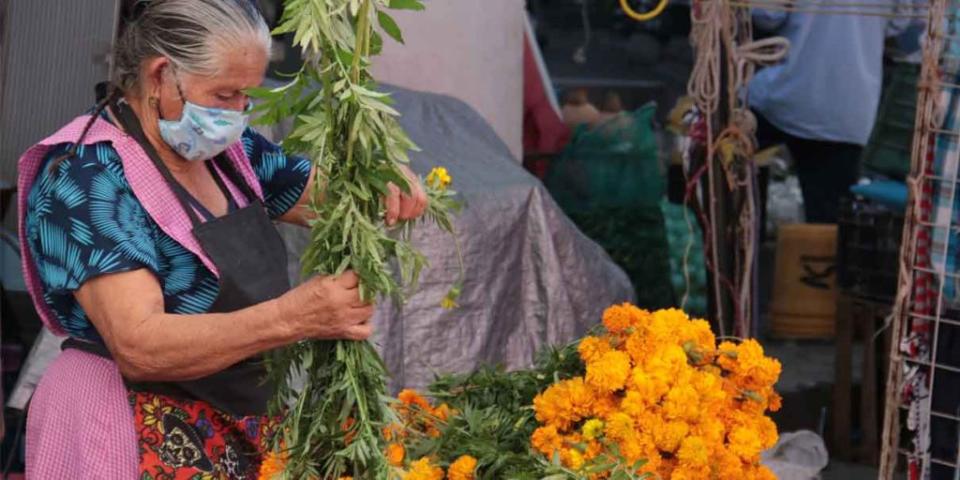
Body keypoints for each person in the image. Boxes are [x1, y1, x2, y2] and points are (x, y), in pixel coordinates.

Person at [16, 1, 428, 477]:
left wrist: (378, 182)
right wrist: (292, 317)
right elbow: (140, 344)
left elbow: (329, 199)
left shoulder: (231, 152)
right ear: (161, 75)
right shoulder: (85, 178)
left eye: (246, 97)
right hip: (124, 425)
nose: (238, 114)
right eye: (224, 94)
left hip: (233, 418)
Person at [749, 3, 920, 223]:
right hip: (848, 112)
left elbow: (767, 14)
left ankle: (738, 245)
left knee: (717, 155)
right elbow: (898, 24)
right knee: (828, 231)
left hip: (787, 95)